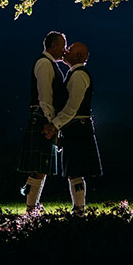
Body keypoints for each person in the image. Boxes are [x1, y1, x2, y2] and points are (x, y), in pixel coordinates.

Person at [42, 41, 102, 213]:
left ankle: (79, 210)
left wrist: (54, 125)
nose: (65, 51)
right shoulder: (74, 74)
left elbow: (72, 107)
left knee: (75, 170)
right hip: (76, 127)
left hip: (78, 128)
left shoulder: (78, 76)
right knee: (74, 171)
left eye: (69, 50)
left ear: (76, 56)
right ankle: (79, 208)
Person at [17, 30, 67, 213]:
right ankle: (31, 209)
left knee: (40, 167)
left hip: (43, 117)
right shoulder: (45, 64)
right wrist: (51, 123)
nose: (65, 49)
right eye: (63, 45)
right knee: (39, 167)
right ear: (53, 46)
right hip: (42, 117)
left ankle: (32, 206)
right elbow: (45, 96)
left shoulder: (49, 63)